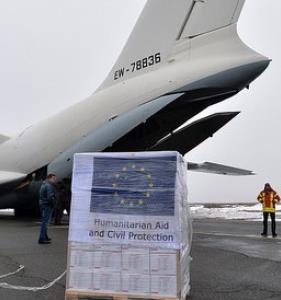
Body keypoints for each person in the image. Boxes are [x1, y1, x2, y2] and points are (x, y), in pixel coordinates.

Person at [38, 173, 57, 244]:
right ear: (50, 178)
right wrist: (54, 203)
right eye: (54, 178)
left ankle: (45, 236)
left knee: (44, 221)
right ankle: (42, 238)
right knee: (45, 223)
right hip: (47, 206)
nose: (55, 180)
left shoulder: (44, 184)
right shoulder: (49, 186)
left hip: (43, 205)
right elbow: (50, 197)